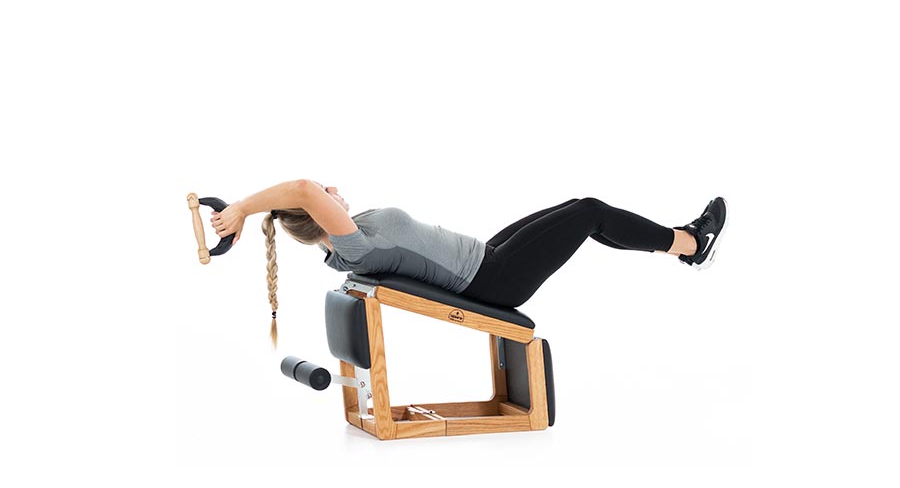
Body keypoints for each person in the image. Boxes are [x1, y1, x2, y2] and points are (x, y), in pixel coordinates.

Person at [210, 180, 728, 346]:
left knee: (581, 209)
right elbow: (301, 189)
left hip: (486, 258)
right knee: (590, 212)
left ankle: (682, 245)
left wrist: (252, 210)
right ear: (319, 216)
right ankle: (690, 244)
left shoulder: (350, 237)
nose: (332, 188)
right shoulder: (351, 246)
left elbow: (303, 195)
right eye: (327, 195)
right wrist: (240, 210)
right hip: (493, 279)